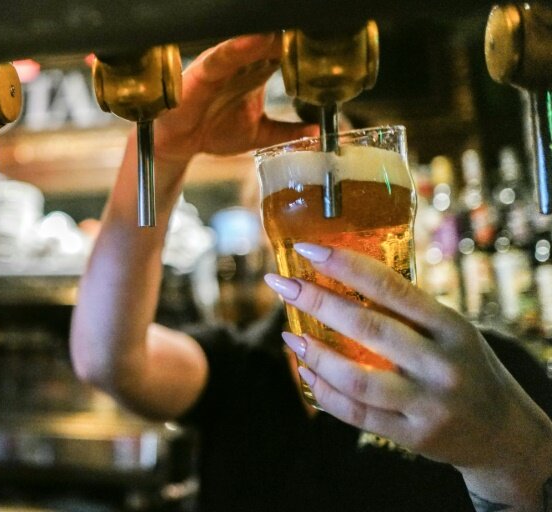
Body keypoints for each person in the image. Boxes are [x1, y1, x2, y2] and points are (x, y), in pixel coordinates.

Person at [69, 33, 552, 512]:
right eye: (306, 175)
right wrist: (164, 150)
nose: (327, 199)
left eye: (339, 162)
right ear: (267, 221)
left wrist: (510, 452)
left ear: (404, 203)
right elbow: (105, 360)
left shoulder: (491, 378)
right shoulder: (241, 371)